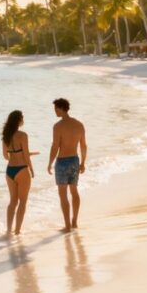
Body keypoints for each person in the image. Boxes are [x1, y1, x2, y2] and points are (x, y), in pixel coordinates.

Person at [46, 98, 86, 231]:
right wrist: (83, 162)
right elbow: (84, 146)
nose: (55, 112)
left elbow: (55, 146)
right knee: (74, 191)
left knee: (63, 194)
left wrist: (50, 163)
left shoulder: (58, 127)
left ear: (61, 108)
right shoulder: (79, 125)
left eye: (55, 109)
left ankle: (67, 226)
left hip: (62, 162)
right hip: (75, 160)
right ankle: (74, 221)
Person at [1, 110, 35, 235]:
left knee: (12, 201)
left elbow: (5, 156)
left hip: (9, 170)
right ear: (19, 120)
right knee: (23, 201)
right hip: (22, 169)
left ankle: (8, 230)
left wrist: (14, 156)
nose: (23, 120)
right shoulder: (23, 135)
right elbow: (26, 155)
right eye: (22, 118)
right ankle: (17, 231)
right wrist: (31, 168)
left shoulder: (6, 136)